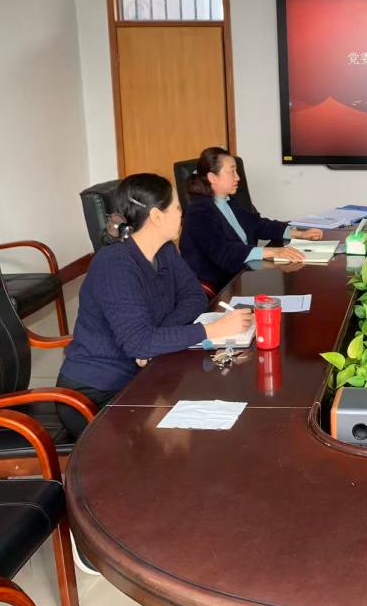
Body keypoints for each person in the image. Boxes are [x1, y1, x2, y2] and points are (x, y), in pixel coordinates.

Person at [56, 173, 252, 439]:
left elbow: (195, 296)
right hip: (96, 395)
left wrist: (156, 337)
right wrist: (211, 331)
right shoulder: (115, 264)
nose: (182, 215)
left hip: (143, 376)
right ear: (157, 217)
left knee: (218, 414)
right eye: (177, 208)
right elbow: (139, 343)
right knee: (192, 436)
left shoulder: (165, 250)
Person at [180, 147, 323, 291]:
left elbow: (257, 224)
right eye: (232, 171)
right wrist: (272, 252)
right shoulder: (199, 212)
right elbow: (224, 253)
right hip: (219, 288)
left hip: (242, 274)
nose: (237, 177)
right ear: (212, 178)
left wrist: (299, 234)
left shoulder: (227, 201)